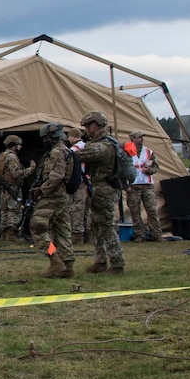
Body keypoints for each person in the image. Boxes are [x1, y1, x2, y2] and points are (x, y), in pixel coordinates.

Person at [78, 111, 127, 273]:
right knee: (95, 225)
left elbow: (85, 154)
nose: (85, 130)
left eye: (86, 126)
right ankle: (100, 260)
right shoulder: (106, 143)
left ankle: (117, 262)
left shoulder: (104, 145)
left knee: (106, 226)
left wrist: (69, 151)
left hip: (104, 189)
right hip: (98, 189)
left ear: (94, 125)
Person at [30, 123, 77, 278]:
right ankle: (68, 266)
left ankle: (54, 259)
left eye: (45, 138)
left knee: (37, 227)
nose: (44, 141)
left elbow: (56, 176)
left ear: (51, 137)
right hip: (63, 197)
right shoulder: (66, 151)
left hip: (53, 197)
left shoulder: (57, 152)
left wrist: (41, 190)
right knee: (62, 231)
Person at [123, 132, 163, 242]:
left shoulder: (148, 151)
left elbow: (156, 166)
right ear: (132, 139)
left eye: (141, 137)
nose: (141, 139)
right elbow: (122, 169)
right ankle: (139, 235)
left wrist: (149, 170)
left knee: (152, 210)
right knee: (135, 212)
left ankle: (157, 234)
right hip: (133, 185)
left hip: (147, 184)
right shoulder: (126, 152)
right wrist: (125, 185)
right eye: (138, 137)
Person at [0, 135, 34, 240]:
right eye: (18, 145)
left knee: (4, 211)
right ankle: (11, 235)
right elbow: (16, 174)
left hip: (4, 188)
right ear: (13, 146)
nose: (20, 147)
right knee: (14, 210)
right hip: (12, 188)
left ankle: (4, 234)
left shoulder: (2, 156)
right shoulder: (12, 157)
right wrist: (30, 169)